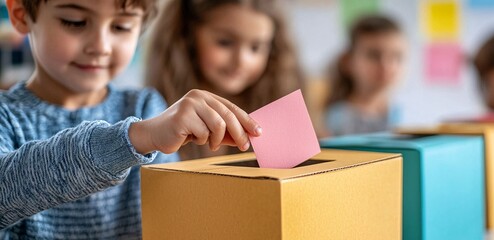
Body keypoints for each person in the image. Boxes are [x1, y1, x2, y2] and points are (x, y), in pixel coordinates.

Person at [0, 0, 261, 237]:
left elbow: (174, 221)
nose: (100, 46)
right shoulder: (6, 116)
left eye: (121, 27)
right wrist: (134, 139)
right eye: (75, 22)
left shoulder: (147, 107)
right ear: (21, 14)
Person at [146, 0, 302, 160]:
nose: (241, 61)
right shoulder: (150, 117)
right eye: (225, 42)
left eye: (255, 47)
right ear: (188, 35)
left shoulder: (281, 116)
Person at [324, 15, 405, 136]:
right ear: (348, 61)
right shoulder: (334, 120)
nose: (386, 66)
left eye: (396, 56)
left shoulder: (401, 114)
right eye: (373, 55)